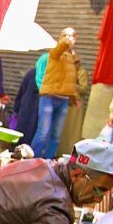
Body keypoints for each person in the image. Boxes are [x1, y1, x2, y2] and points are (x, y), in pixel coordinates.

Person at [30, 27, 80, 160]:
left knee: (56, 135)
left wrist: (75, 96)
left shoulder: (72, 56)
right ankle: (33, 160)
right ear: (60, 37)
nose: (69, 38)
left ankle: (48, 162)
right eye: (65, 35)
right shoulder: (55, 51)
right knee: (43, 132)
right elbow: (57, 51)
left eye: (72, 36)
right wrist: (65, 43)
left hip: (63, 99)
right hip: (49, 96)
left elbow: (71, 79)